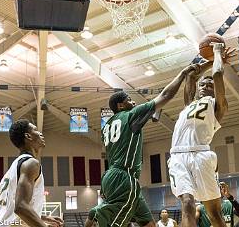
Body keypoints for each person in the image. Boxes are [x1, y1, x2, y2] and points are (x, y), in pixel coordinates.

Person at [85, 63, 201, 227]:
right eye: (128, 100)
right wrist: (182, 74)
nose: (132, 101)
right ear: (120, 106)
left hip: (111, 176)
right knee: (115, 223)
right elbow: (165, 96)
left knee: (149, 224)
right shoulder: (130, 115)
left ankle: (98, 211)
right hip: (124, 176)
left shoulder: (106, 126)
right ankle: (99, 212)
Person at [168, 41, 236, 227]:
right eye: (203, 83)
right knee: (188, 203)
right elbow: (191, 74)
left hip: (201, 155)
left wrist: (217, 53)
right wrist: (211, 59)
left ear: (215, 90)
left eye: (210, 84)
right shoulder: (189, 103)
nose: (205, 84)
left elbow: (217, 73)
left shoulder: (218, 106)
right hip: (177, 156)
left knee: (214, 214)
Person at [0, 119, 63, 227]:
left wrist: (42, 217)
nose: (40, 133)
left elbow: (11, 208)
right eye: (36, 130)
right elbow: (20, 207)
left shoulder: (13, 168)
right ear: (28, 136)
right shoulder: (31, 164)